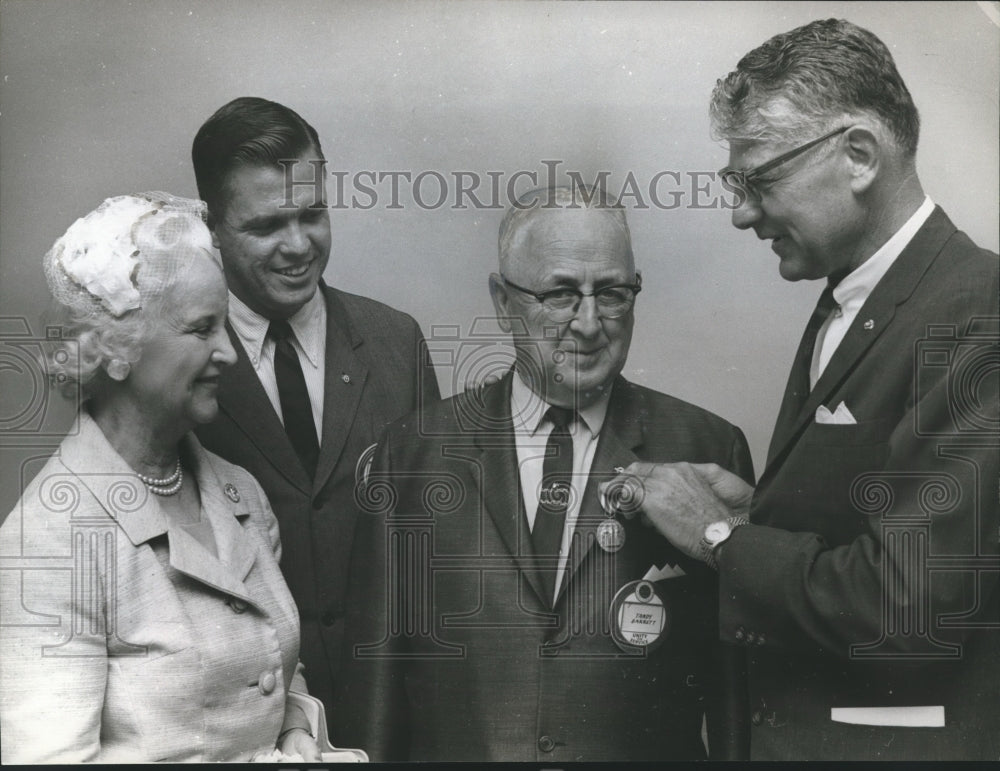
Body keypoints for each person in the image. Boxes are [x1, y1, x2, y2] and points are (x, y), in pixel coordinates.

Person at [601, 18, 1000, 760]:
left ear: (858, 155)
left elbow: (909, 609)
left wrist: (720, 536)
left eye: (761, 179)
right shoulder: (856, 301)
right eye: (735, 183)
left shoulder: (981, 312)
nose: (741, 212)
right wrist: (758, 509)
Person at [336, 186, 754, 761]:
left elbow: (736, 698)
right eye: (560, 294)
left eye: (611, 293)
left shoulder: (707, 447)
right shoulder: (412, 455)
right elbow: (375, 694)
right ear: (504, 301)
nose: (588, 323)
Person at [0, 194, 322, 762]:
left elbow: (273, 671)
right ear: (118, 350)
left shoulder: (240, 492)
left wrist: (296, 731)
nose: (228, 353)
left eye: (225, 325)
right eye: (202, 329)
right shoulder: (48, 541)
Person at [190, 97, 440, 729]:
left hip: (395, 719)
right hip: (245, 726)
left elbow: (439, 544)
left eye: (313, 215)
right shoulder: (179, 367)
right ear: (210, 225)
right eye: (268, 226)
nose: (297, 245)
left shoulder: (397, 343)